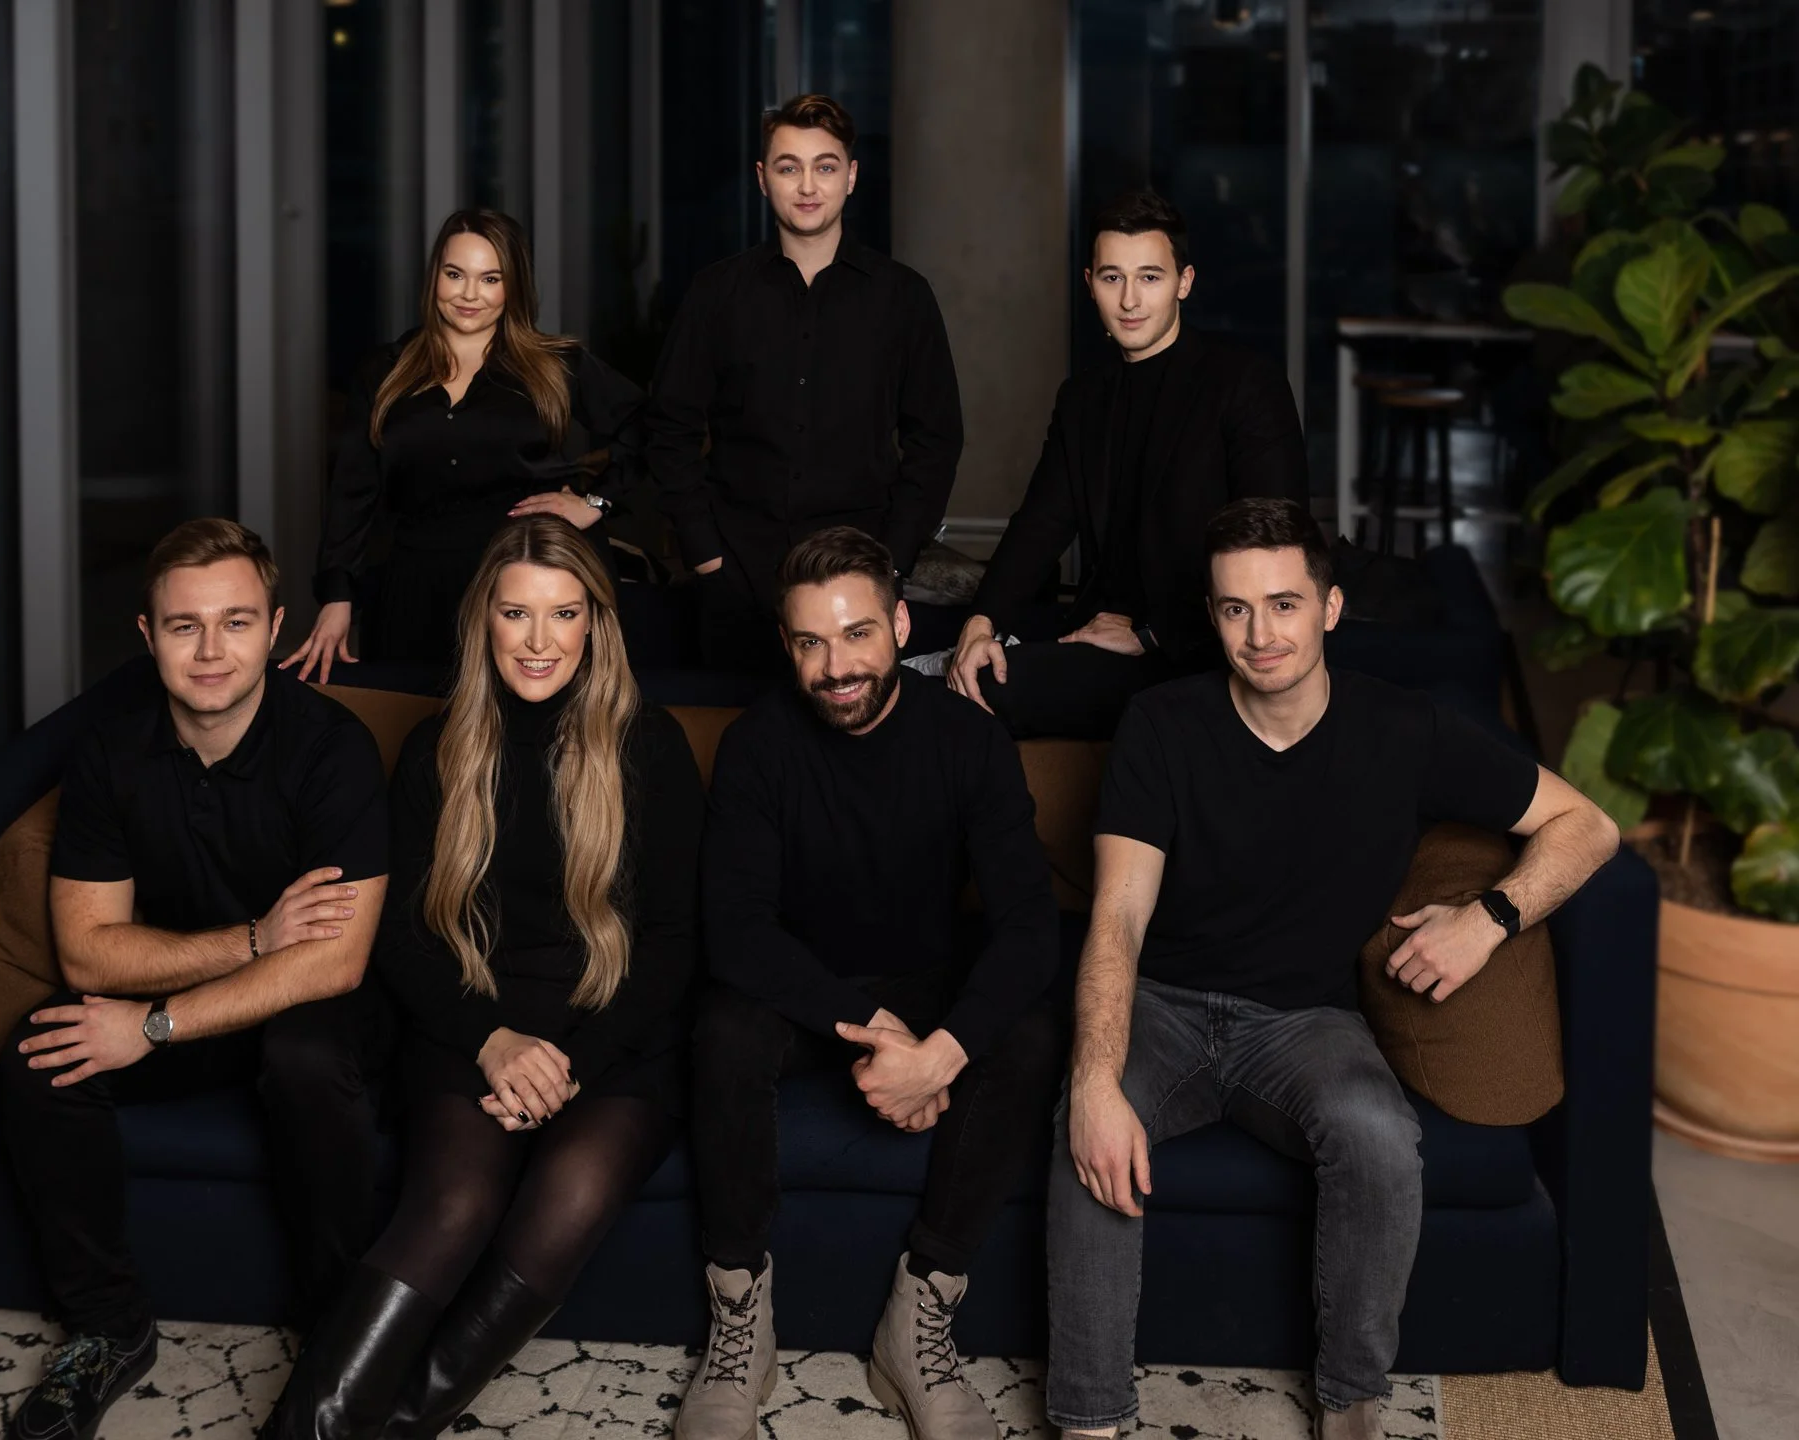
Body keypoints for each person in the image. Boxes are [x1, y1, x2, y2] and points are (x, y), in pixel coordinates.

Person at [1047, 498, 1619, 1440]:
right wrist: (1097, 1080)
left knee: (1380, 1137)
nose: (1261, 634)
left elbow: (1587, 826)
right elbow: (1118, 916)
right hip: (1163, 1006)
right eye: (1236, 609)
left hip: (1305, 1024)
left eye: (1284, 604)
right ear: (1211, 615)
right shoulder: (1161, 723)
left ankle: (1351, 1409)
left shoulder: (1403, 729)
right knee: (1088, 1123)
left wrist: (1489, 920)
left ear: (1331, 608)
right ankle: (1090, 1424)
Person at [266, 515, 704, 1440]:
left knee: (573, 1191)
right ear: (483, 621)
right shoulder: (437, 749)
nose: (540, 640)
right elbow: (400, 938)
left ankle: (382, 1426)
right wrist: (494, 1042)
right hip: (472, 1022)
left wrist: (572, 1065)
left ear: (596, 624)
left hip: (610, 1031)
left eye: (564, 614)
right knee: (454, 1201)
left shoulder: (650, 745)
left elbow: (672, 942)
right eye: (517, 613)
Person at [0, 519, 392, 1440]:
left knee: (302, 1057)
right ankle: (108, 1329)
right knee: (40, 1053)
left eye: (237, 622)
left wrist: (154, 1025)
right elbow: (88, 952)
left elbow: (334, 960)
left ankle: (335, 1330)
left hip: (319, 1007)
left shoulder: (330, 747)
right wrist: (254, 938)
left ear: (276, 627)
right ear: (148, 635)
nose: (212, 651)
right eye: (185, 626)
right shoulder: (111, 751)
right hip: (221, 982)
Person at [677, 527, 1064, 1440]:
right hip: (804, 990)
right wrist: (872, 1026)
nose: (836, 667)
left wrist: (940, 1055)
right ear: (786, 645)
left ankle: (920, 1311)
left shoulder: (969, 740)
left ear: (900, 626)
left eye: (857, 634)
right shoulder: (757, 745)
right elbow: (736, 931)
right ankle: (738, 1313)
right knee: (723, 1028)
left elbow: (1030, 927)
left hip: (928, 987)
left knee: (1029, 1032)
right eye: (811, 642)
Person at [946, 189, 1307, 738]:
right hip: (1098, 628)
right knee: (939, 657)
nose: (1130, 300)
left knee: (983, 689)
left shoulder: (1243, 384)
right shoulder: (1083, 398)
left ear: (1184, 282)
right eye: (1112, 277)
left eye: (1150, 277)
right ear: (1090, 283)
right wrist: (982, 621)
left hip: (1200, 646)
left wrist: (1151, 634)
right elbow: (1040, 525)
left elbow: (1278, 546)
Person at [646, 95, 963, 673]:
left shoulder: (903, 297)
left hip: (858, 578)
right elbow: (669, 428)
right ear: (762, 178)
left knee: (854, 726)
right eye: (789, 167)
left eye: (826, 166)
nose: (808, 185)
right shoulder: (716, 293)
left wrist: (891, 561)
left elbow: (936, 440)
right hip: (737, 578)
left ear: (851, 176)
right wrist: (705, 553)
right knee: (732, 726)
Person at [284, 209, 646, 677]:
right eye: (455, 274)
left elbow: (648, 426)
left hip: (529, 580)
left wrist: (596, 501)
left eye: (490, 278)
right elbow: (353, 493)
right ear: (434, 276)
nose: (469, 294)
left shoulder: (555, 364)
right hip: (418, 583)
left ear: (513, 286)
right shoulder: (384, 371)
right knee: (411, 714)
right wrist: (338, 596)